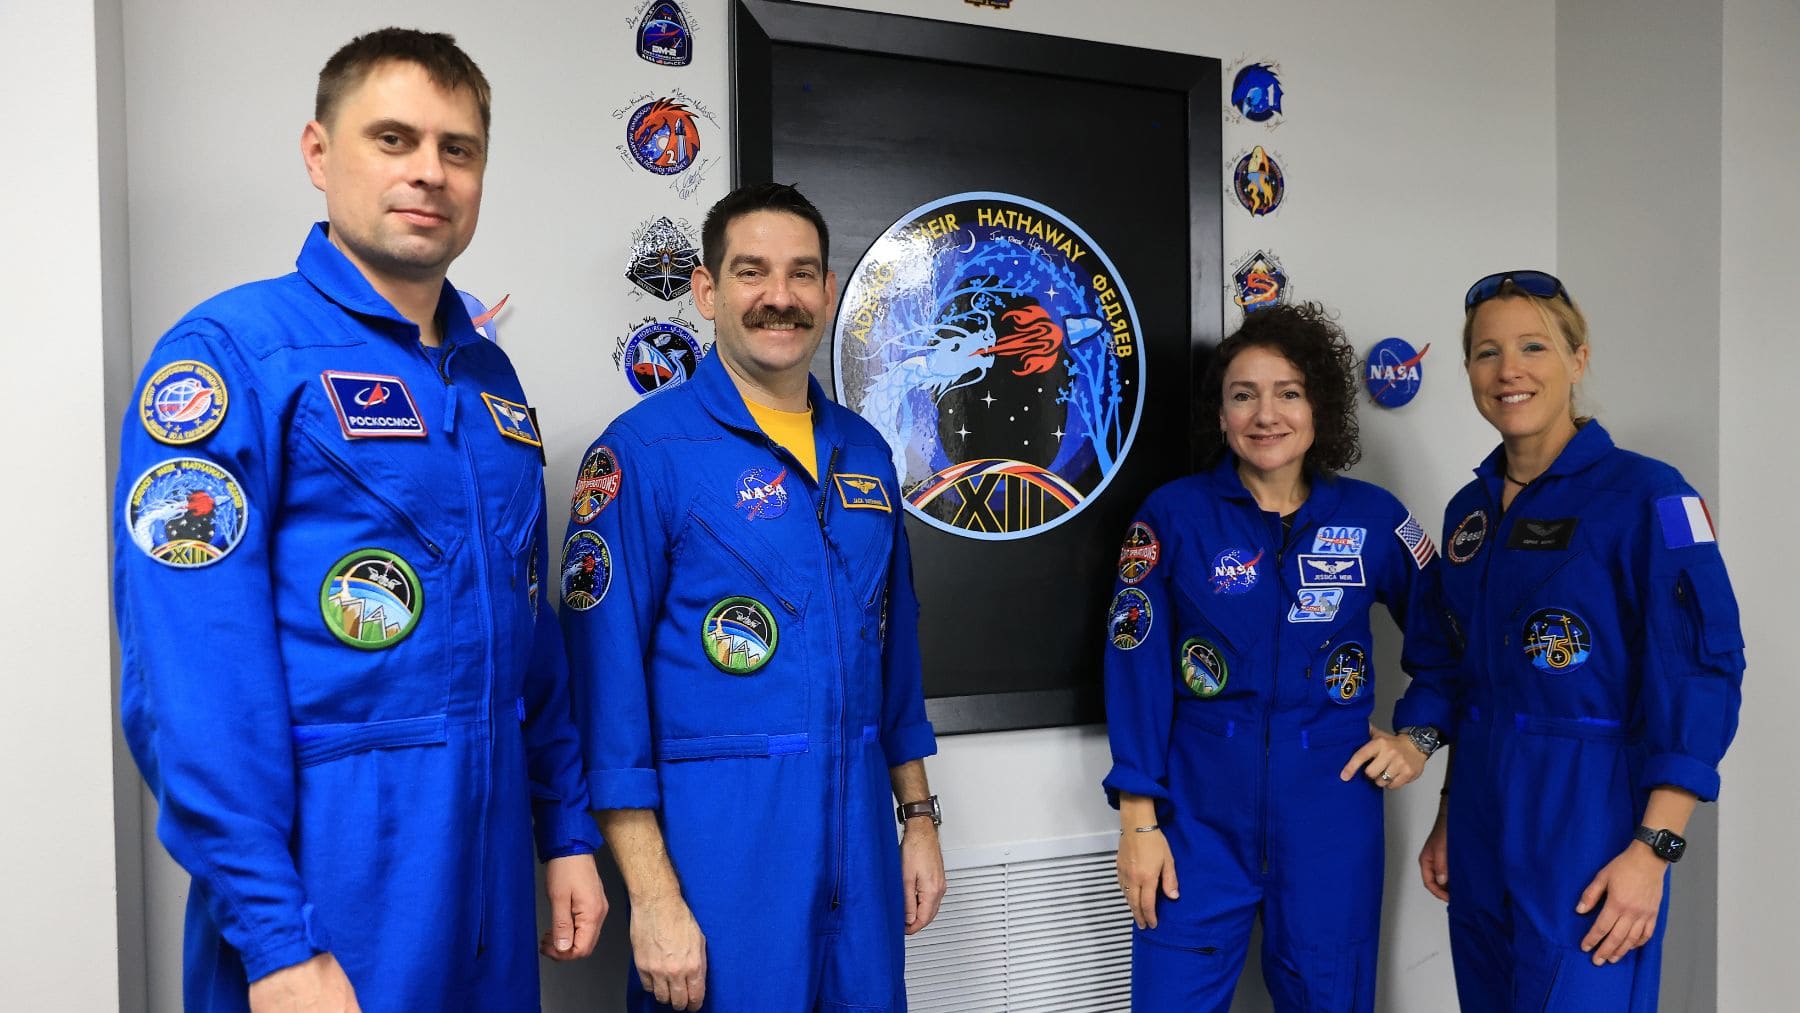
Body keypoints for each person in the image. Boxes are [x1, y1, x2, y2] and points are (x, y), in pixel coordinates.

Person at [112, 28, 604, 1011]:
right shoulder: (233, 356)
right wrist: (274, 932)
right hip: (333, 876)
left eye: (457, 149)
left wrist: (568, 831)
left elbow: (529, 640)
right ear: (318, 152)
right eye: (393, 138)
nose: (429, 172)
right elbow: (192, 676)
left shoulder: (489, 379)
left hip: (493, 868)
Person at [559, 182, 946, 1012]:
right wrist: (654, 897)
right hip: (719, 861)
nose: (781, 296)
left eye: (802, 273)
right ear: (706, 291)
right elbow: (605, 701)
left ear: (829, 291)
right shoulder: (644, 454)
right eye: (752, 272)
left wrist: (917, 816)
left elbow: (895, 652)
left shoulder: (867, 452)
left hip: (862, 852)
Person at [1402, 270, 1745, 1010]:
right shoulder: (1470, 513)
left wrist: (1655, 851)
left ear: (1578, 359)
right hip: (1482, 815)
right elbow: (1467, 679)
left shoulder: (1650, 495)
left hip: (1590, 817)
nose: (1509, 370)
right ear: (1468, 371)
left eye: (1534, 346)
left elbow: (1702, 675)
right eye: (1487, 352)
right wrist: (1448, 812)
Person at [1103, 302, 1456, 1012]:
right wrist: (1138, 820)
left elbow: (1450, 641)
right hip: (1196, 817)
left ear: (1319, 404)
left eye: (1287, 392)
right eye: (1244, 394)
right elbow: (1133, 669)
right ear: (1222, 413)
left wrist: (1418, 737)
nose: (1266, 414)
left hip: (1330, 812)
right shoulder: (1171, 516)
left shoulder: (1375, 518)